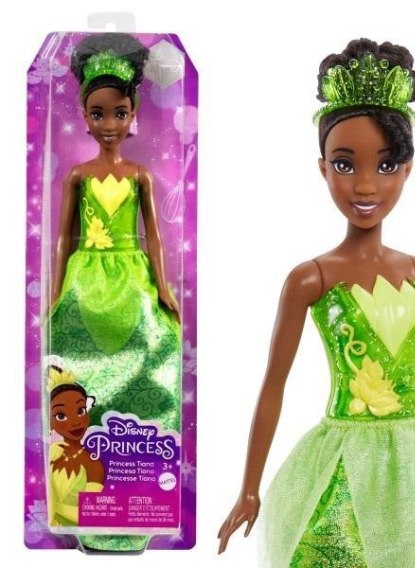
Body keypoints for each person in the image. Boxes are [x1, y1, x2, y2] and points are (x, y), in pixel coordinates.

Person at [218, 39, 415, 567]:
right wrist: (248, 489)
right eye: (345, 165)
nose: (365, 185)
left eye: (386, 166)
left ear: (407, 170)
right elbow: (274, 385)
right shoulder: (311, 278)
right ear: (322, 168)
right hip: (343, 460)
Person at [48, 32, 180, 552]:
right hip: (85, 278)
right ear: (84, 116)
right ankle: (80, 501)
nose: (109, 124)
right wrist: (55, 296)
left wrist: (164, 289)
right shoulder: (77, 175)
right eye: (99, 114)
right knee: (77, 377)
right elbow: (63, 239)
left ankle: (137, 500)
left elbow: (155, 238)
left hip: (131, 277)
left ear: (133, 114)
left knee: (149, 358)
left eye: (119, 113)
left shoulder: (141, 175)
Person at [48, 365, 104, 527]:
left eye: (80, 411)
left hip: (72, 530)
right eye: (61, 415)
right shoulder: (52, 452)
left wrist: (54, 506)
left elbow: (89, 514)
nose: (75, 422)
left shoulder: (94, 465)